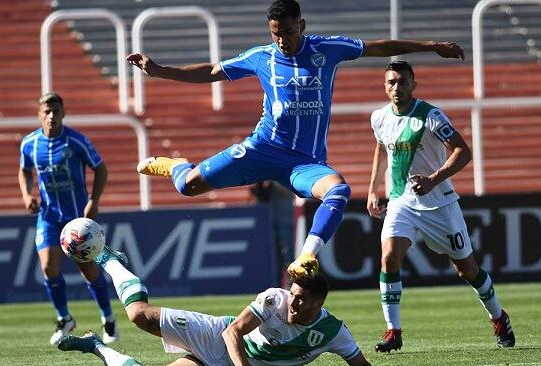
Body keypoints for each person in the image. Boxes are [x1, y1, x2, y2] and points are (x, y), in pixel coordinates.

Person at [128, 0, 465, 280]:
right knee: (188, 185)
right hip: (262, 149)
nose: (283, 41)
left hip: (304, 162)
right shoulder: (261, 56)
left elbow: (380, 48)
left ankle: (306, 258)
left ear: (301, 25)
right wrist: (159, 71)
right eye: (276, 34)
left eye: (288, 32)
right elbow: (213, 71)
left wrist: (430, 47)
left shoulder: (327, 49)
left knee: (339, 191)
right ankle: (176, 167)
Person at [57, 245, 386, 366]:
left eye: (301, 301)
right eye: (293, 296)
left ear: (319, 303)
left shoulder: (332, 331)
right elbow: (233, 333)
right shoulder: (274, 299)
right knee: (138, 315)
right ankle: (109, 259)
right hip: (216, 337)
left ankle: (96, 346)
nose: (293, 305)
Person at [366, 60, 515, 352]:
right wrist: (373, 189)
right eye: (391, 82)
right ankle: (393, 331)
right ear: (385, 86)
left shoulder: (431, 116)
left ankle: (498, 316)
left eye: (402, 82)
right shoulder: (379, 117)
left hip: (439, 204)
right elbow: (382, 148)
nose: (397, 87)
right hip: (401, 201)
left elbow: (463, 151)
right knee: (388, 258)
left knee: (466, 269)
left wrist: (434, 179)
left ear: (414, 85)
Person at [18, 92, 119, 345]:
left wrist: (93, 201)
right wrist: (26, 195)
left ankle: (108, 319)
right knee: (48, 267)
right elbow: (24, 171)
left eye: (56, 111)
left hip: (77, 220)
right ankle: (65, 318)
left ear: (63, 113)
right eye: (47, 111)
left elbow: (101, 168)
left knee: (88, 270)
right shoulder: (29, 143)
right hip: (48, 216)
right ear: (39, 115)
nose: (52, 116)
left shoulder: (76, 141)